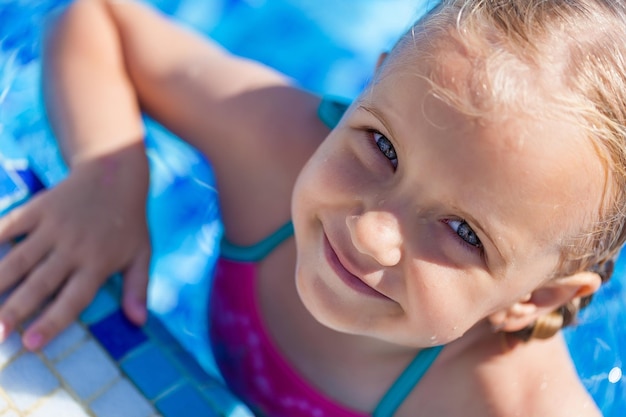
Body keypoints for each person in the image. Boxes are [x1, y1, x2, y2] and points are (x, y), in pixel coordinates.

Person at [0, 0, 623, 415]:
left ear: (536, 299)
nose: (373, 232)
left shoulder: (506, 400)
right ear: (367, 88)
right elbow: (95, 18)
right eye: (382, 146)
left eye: (464, 232)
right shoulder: (275, 152)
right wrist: (108, 179)